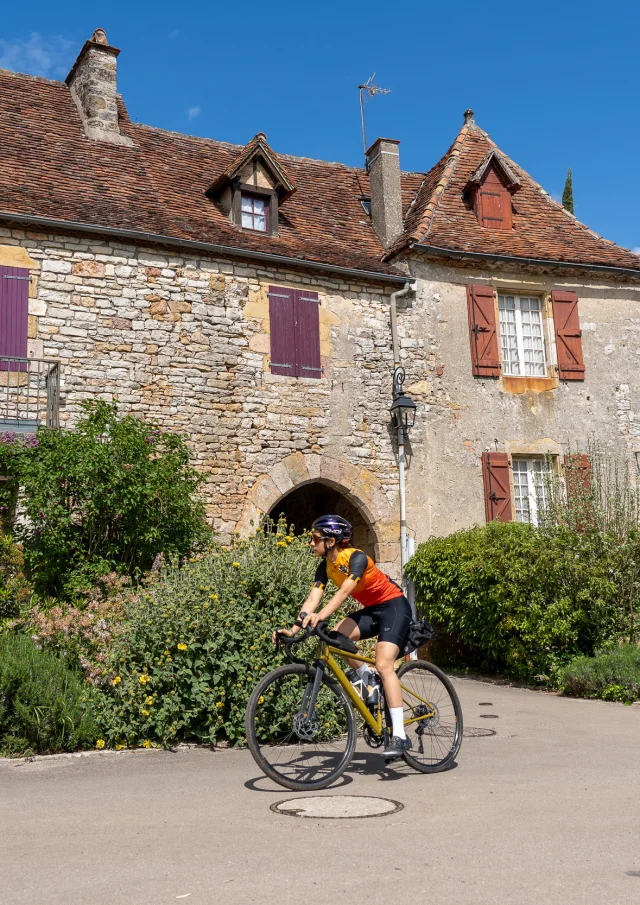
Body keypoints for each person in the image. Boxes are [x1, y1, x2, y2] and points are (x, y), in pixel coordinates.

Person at [275, 514, 412, 760]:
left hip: (394, 607)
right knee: (337, 635)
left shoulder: (357, 558)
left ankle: (401, 735)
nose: (311, 543)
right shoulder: (324, 567)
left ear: (332, 540)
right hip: (372, 610)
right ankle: (365, 676)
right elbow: (313, 598)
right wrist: (294, 628)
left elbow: (345, 591)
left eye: (315, 539)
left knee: (384, 664)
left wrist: (321, 616)